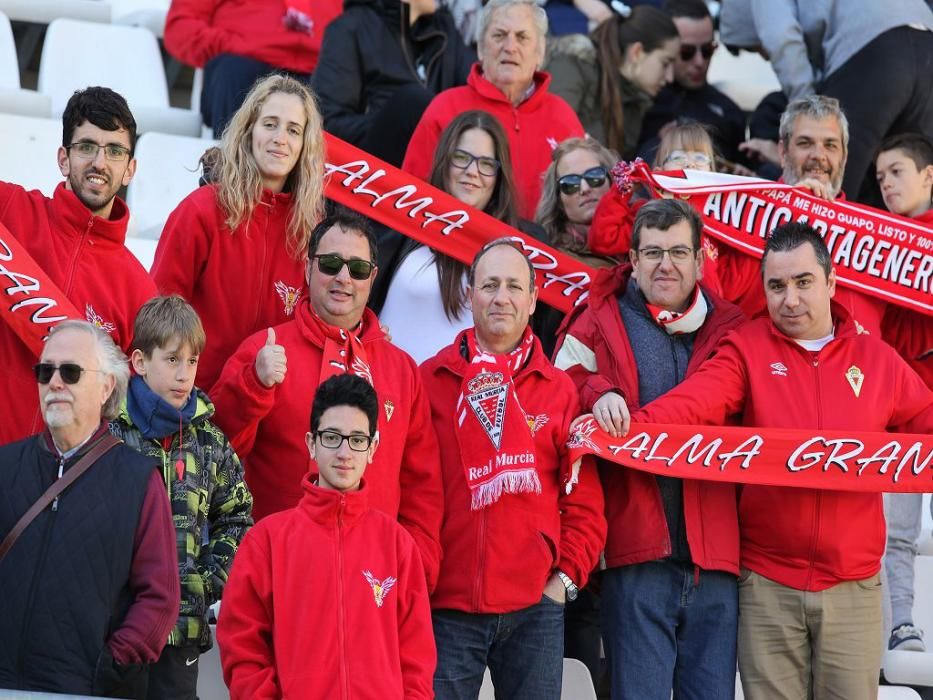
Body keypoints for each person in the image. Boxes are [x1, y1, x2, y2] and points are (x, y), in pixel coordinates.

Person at [621, 223, 933, 700]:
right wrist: (630, 431)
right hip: (768, 585)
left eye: (803, 282)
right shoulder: (747, 349)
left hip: (855, 589)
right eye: (777, 285)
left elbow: (925, 422)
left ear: (830, 283)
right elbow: (695, 404)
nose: (790, 299)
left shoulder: (878, 359)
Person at [554, 199, 745, 699]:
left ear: (701, 261)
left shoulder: (734, 327)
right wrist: (599, 393)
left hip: (716, 562)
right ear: (632, 260)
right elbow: (560, 384)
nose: (667, 264)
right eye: (654, 252)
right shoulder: (598, 317)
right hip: (636, 556)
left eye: (679, 251)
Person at [210, 209, 443, 590]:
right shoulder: (265, 349)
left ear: (373, 279)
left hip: (373, 584)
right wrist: (253, 383)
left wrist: (415, 569)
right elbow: (218, 455)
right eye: (331, 264)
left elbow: (423, 489)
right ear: (307, 268)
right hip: (280, 575)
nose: (343, 278)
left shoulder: (401, 369)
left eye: (357, 269)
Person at [420, 239, 606, 699]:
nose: (501, 297)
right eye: (489, 285)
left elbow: (583, 500)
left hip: (533, 609)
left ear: (532, 297)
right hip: (447, 606)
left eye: (513, 286)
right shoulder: (428, 380)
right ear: (470, 295)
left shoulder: (559, 390)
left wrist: (562, 582)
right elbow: (408, 489)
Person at [217, 374, 436, 699]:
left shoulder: (397, 544)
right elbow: (242, 644)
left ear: (372, 448)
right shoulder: (268, 541)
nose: (345, 452)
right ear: (312, 443)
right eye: (332, 437)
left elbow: (416, 658)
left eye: (357, 439)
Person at [0, 321, 179, 698]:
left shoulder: (138, 479)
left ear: (106, 387)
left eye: (71, 371)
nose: (55, 383)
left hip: (88, 691)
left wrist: (110, 668)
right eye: (45, 371)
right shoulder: (5, 467)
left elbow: (159, 598)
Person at [109, 296, 253, 700]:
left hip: (183, 629)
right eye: (172, 360)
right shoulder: (109, 434)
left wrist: (207, 581)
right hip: (118, 626)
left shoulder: (209, 441)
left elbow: (238, 516)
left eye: (192, 362)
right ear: (139, 362)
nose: (184, 374)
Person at [0, 86, 157, 445]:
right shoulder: (10, 211)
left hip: (60, 486)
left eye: (114, 151)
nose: (99, 162)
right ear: (63, 158)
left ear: (130, 169)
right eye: (86, 146)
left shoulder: (139, 290)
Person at [152, 74, 326, 395]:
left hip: (269, 408)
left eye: (293, 130)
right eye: (270, 124)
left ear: (305, 146)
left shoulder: (311, 229)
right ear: (249, 131)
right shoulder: (202, 210)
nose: (280, 138)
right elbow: (161, 312)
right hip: (194, 403)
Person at [718, 0, 933, 205]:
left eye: (759, 49)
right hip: (926, 41)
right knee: (911, 186)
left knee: (828, 195)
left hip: (871, 53)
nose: (766, 58)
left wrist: (808, 114)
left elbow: (781, 38)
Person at [403, 0, 585, 219]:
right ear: (480, 47)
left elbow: (582, 203)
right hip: (457, 243)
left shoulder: (563, 117)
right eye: (499, 35)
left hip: (542, 248)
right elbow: (412, 194)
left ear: (540, 52)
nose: (510, 47)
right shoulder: (445, 108)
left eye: (522, 37)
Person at [374, 109, 523, 364]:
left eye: (486, 163)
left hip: (461, 397)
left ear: (499, 177)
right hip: (388, 389)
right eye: (461, 157)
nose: (472, 171)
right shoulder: (403, 224)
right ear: (445, 161)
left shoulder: (515, 251)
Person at [874, 133, 933, 653]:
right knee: (898, 529)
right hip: (907, 409)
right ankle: (902, 622)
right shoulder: (872, 246)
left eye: (897, 171)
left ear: (928, 176)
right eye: (879, 177)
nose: (887, 183)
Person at [312, 0, 475, 167]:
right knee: (412, 102)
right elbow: (328, 123)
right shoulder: (351, 28)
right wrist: (395, 122)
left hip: (439, 167)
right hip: (370, 171)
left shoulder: (445, 31)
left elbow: (481, 83)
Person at [163, 0, 342, 137]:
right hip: (244, 67)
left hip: (320, 71)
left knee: (347, 92)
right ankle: (233, 178)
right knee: (232, 69)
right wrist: (238, 44)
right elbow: (180, 29)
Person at [546, 3, 680, 160]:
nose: (670, 77)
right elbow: (551, 145)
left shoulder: (636, 97)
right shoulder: (573, 66)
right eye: (665, 63)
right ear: (636, 52)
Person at [533, 135, 618, 357]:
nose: (584, 188)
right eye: (569, 184)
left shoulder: (645, 243)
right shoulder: (552, 265)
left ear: (613, 180)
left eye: (595, 177)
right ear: (559, 200)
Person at [638, 0, 747, 167]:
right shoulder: (640, 102)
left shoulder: (729, 111)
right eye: (686, 52)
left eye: (707, 50)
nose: (699, 61)